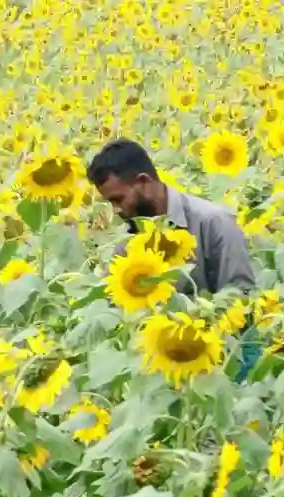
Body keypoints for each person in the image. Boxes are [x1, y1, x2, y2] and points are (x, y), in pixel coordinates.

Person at [87, 139, 259, 378]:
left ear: (144, 182)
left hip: (223, 358)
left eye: (119, 199)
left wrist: (201, 318)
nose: (116, 210)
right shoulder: (129, 241)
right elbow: (115, 305)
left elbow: (241, 296)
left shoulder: (213, 223)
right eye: (110, 203)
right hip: (159, 364)